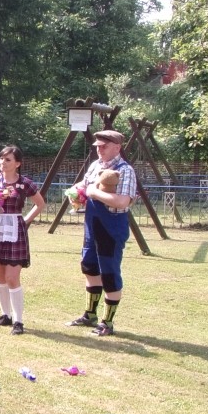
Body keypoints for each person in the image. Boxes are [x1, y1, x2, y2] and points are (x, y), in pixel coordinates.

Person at [65, 129, 138, 337]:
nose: (99, 150)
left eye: (104, 146)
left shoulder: (125, 170)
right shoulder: (95, 166)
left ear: (117, 147)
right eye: (97, 146)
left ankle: (107, 322)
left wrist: (93, 192)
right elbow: (83, 185)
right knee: (89, 268)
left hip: (111, 228)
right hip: (92, 226)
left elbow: (122, 201)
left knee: (109, 274)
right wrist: (76, 191)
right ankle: (90, 315)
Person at [0, 145, 46, 335]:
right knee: (0, 277)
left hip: (14, 229)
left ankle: (18, 321)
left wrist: (25, 220)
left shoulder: (24, 183)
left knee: (12, 278)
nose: (3, 162)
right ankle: (5, 315)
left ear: (18, 163)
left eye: (8, 160)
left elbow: (40, 204)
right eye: (1, 158)